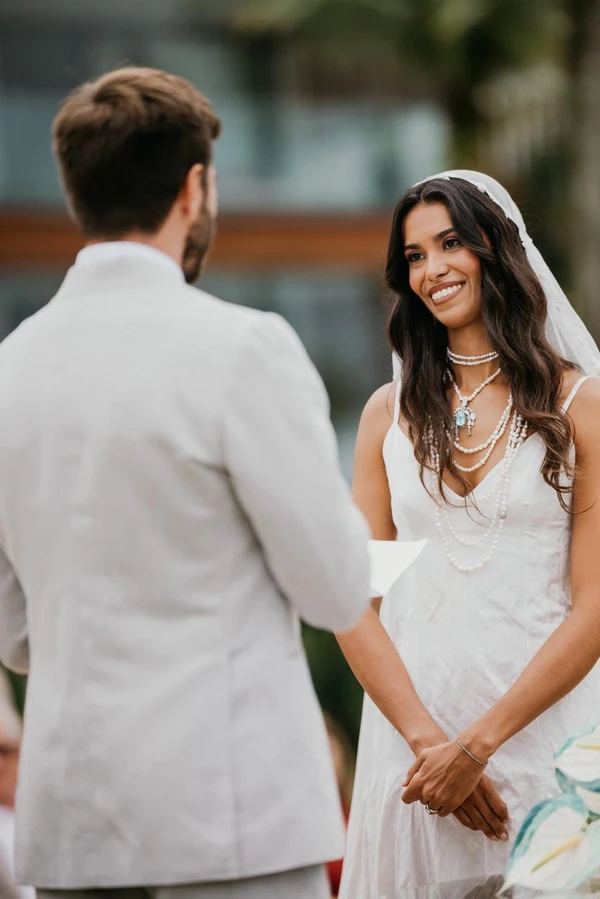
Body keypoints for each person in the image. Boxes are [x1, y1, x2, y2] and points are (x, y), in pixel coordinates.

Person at [0, 67, 372, 899]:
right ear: (194, 186)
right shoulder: (246, 351)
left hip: (73, 822)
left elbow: (13, 631)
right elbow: (336, 587)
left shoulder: (6, 371)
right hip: (231, 822)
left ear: (76, 190)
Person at [337, 170, 600, 899]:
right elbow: (354, 603)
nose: (432, 270)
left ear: (496, 249)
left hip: (545, 750)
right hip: (414, 763)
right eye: (415, 256)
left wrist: (478, 746)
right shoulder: (386, 419)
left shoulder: (580, 407)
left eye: (450, 243)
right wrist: (431, 744)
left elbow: (596, 603)